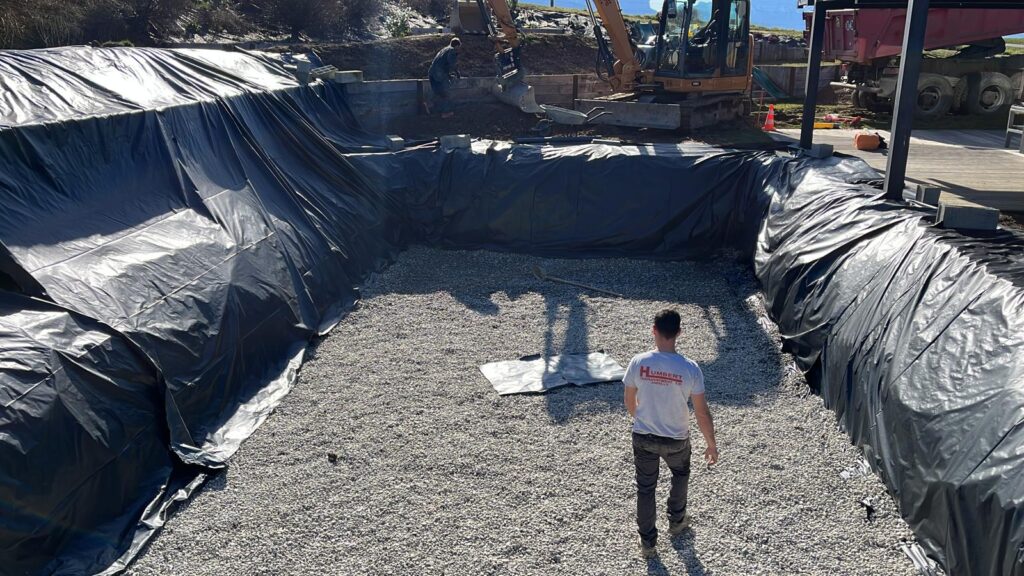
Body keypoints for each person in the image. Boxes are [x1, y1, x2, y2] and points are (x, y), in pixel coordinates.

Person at [623, 309, 718, 559]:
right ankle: (676, 521)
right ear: (679, 333)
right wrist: (711, 444)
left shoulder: (639, 362)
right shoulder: (690, 368)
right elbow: (701, 413)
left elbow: (629, 401)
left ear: (653, 330)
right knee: (680, 474)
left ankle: (648, 544)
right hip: (677, 438)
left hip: (644, 437)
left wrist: (643, 420)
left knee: (645, 488)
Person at [427, 37, 462, 118]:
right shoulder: (452, 50)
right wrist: (457, 73)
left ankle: (428, 104)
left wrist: (449, 75)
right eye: (459, 47)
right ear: (457, 46)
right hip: (439, 74)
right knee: (446, 92)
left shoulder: (444, 50)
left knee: (437, 92)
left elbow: (442, 63)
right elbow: (451, 64)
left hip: (431, 73)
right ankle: (446, 112)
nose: (459, 49)